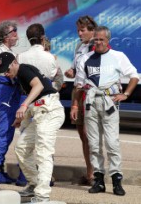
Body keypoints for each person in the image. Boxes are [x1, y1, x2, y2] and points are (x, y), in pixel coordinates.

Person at [72, 26, 139, 196]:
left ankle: (117, 180)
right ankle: (99, 180)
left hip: (109, 103)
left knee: (112, 143)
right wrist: (75, 105)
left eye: (101, 39)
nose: (98, 42)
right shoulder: (85, 58)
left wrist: (126, 94)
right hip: (91, 103)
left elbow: (134, 75)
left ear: (108, 40)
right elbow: (79, 85)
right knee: (94, 144)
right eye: (96, 39)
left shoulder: (118, 56)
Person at [0, 52, 65, 203]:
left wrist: (23, 105)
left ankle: (42, 195)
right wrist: (23, 118)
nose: (6, 74)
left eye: (7, 70)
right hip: (40, 111)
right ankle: (34, 184)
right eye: (4, 72)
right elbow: (36, 99)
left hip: (50, 111)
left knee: (43, 152)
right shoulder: (19, 76)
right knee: (21, 148)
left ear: (14, 62)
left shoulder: (23, 69)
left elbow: (39, 86)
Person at [17, 24, 63, 188]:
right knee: (44, 147)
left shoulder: (21, 57)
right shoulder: (49, 57)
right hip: (44, 101)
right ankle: (44, 182)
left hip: (27, 100)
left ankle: (29, 179)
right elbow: (50, 78)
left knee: (24, 145)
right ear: (42, 38)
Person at [64, 15, 97, 185]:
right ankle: (89, 172)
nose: (79, 33)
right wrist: (71, 71)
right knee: (82, 134)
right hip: (77, 91)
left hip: (89, 93)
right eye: (78, 30)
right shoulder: (80, 45)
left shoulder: (97, 46)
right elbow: (77, 67)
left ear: (92, 30)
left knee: (89, 133)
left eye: (82, 30)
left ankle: (94, 174)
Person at [0, 20, 21, 184]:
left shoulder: (6, 51)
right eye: (13, 31)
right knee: (4, 132)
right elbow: (10, 77)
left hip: (8, 94)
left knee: (7, 133)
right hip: (6, 94)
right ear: (6, 36)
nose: (16, 33)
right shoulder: (3, 54)